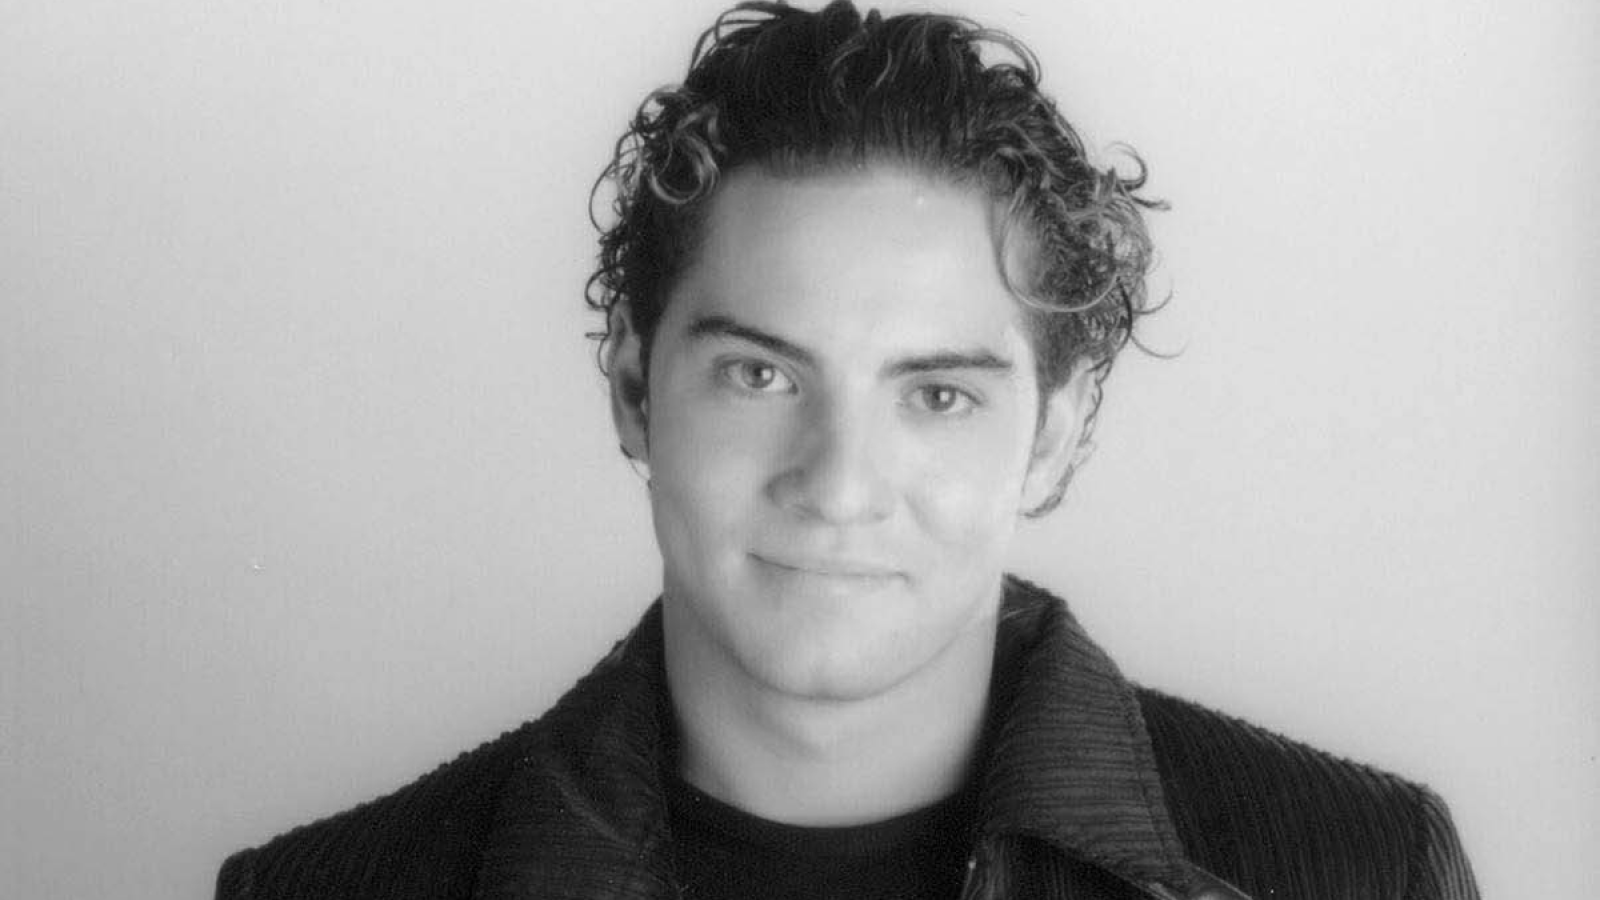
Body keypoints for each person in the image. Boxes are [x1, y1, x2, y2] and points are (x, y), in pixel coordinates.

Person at [215, 3, 1480, 898]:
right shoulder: (329, 891)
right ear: (633, 391)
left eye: (937, 395)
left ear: (1055, 437)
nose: (837, 484)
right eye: (759, 375)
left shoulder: (1360, 870)